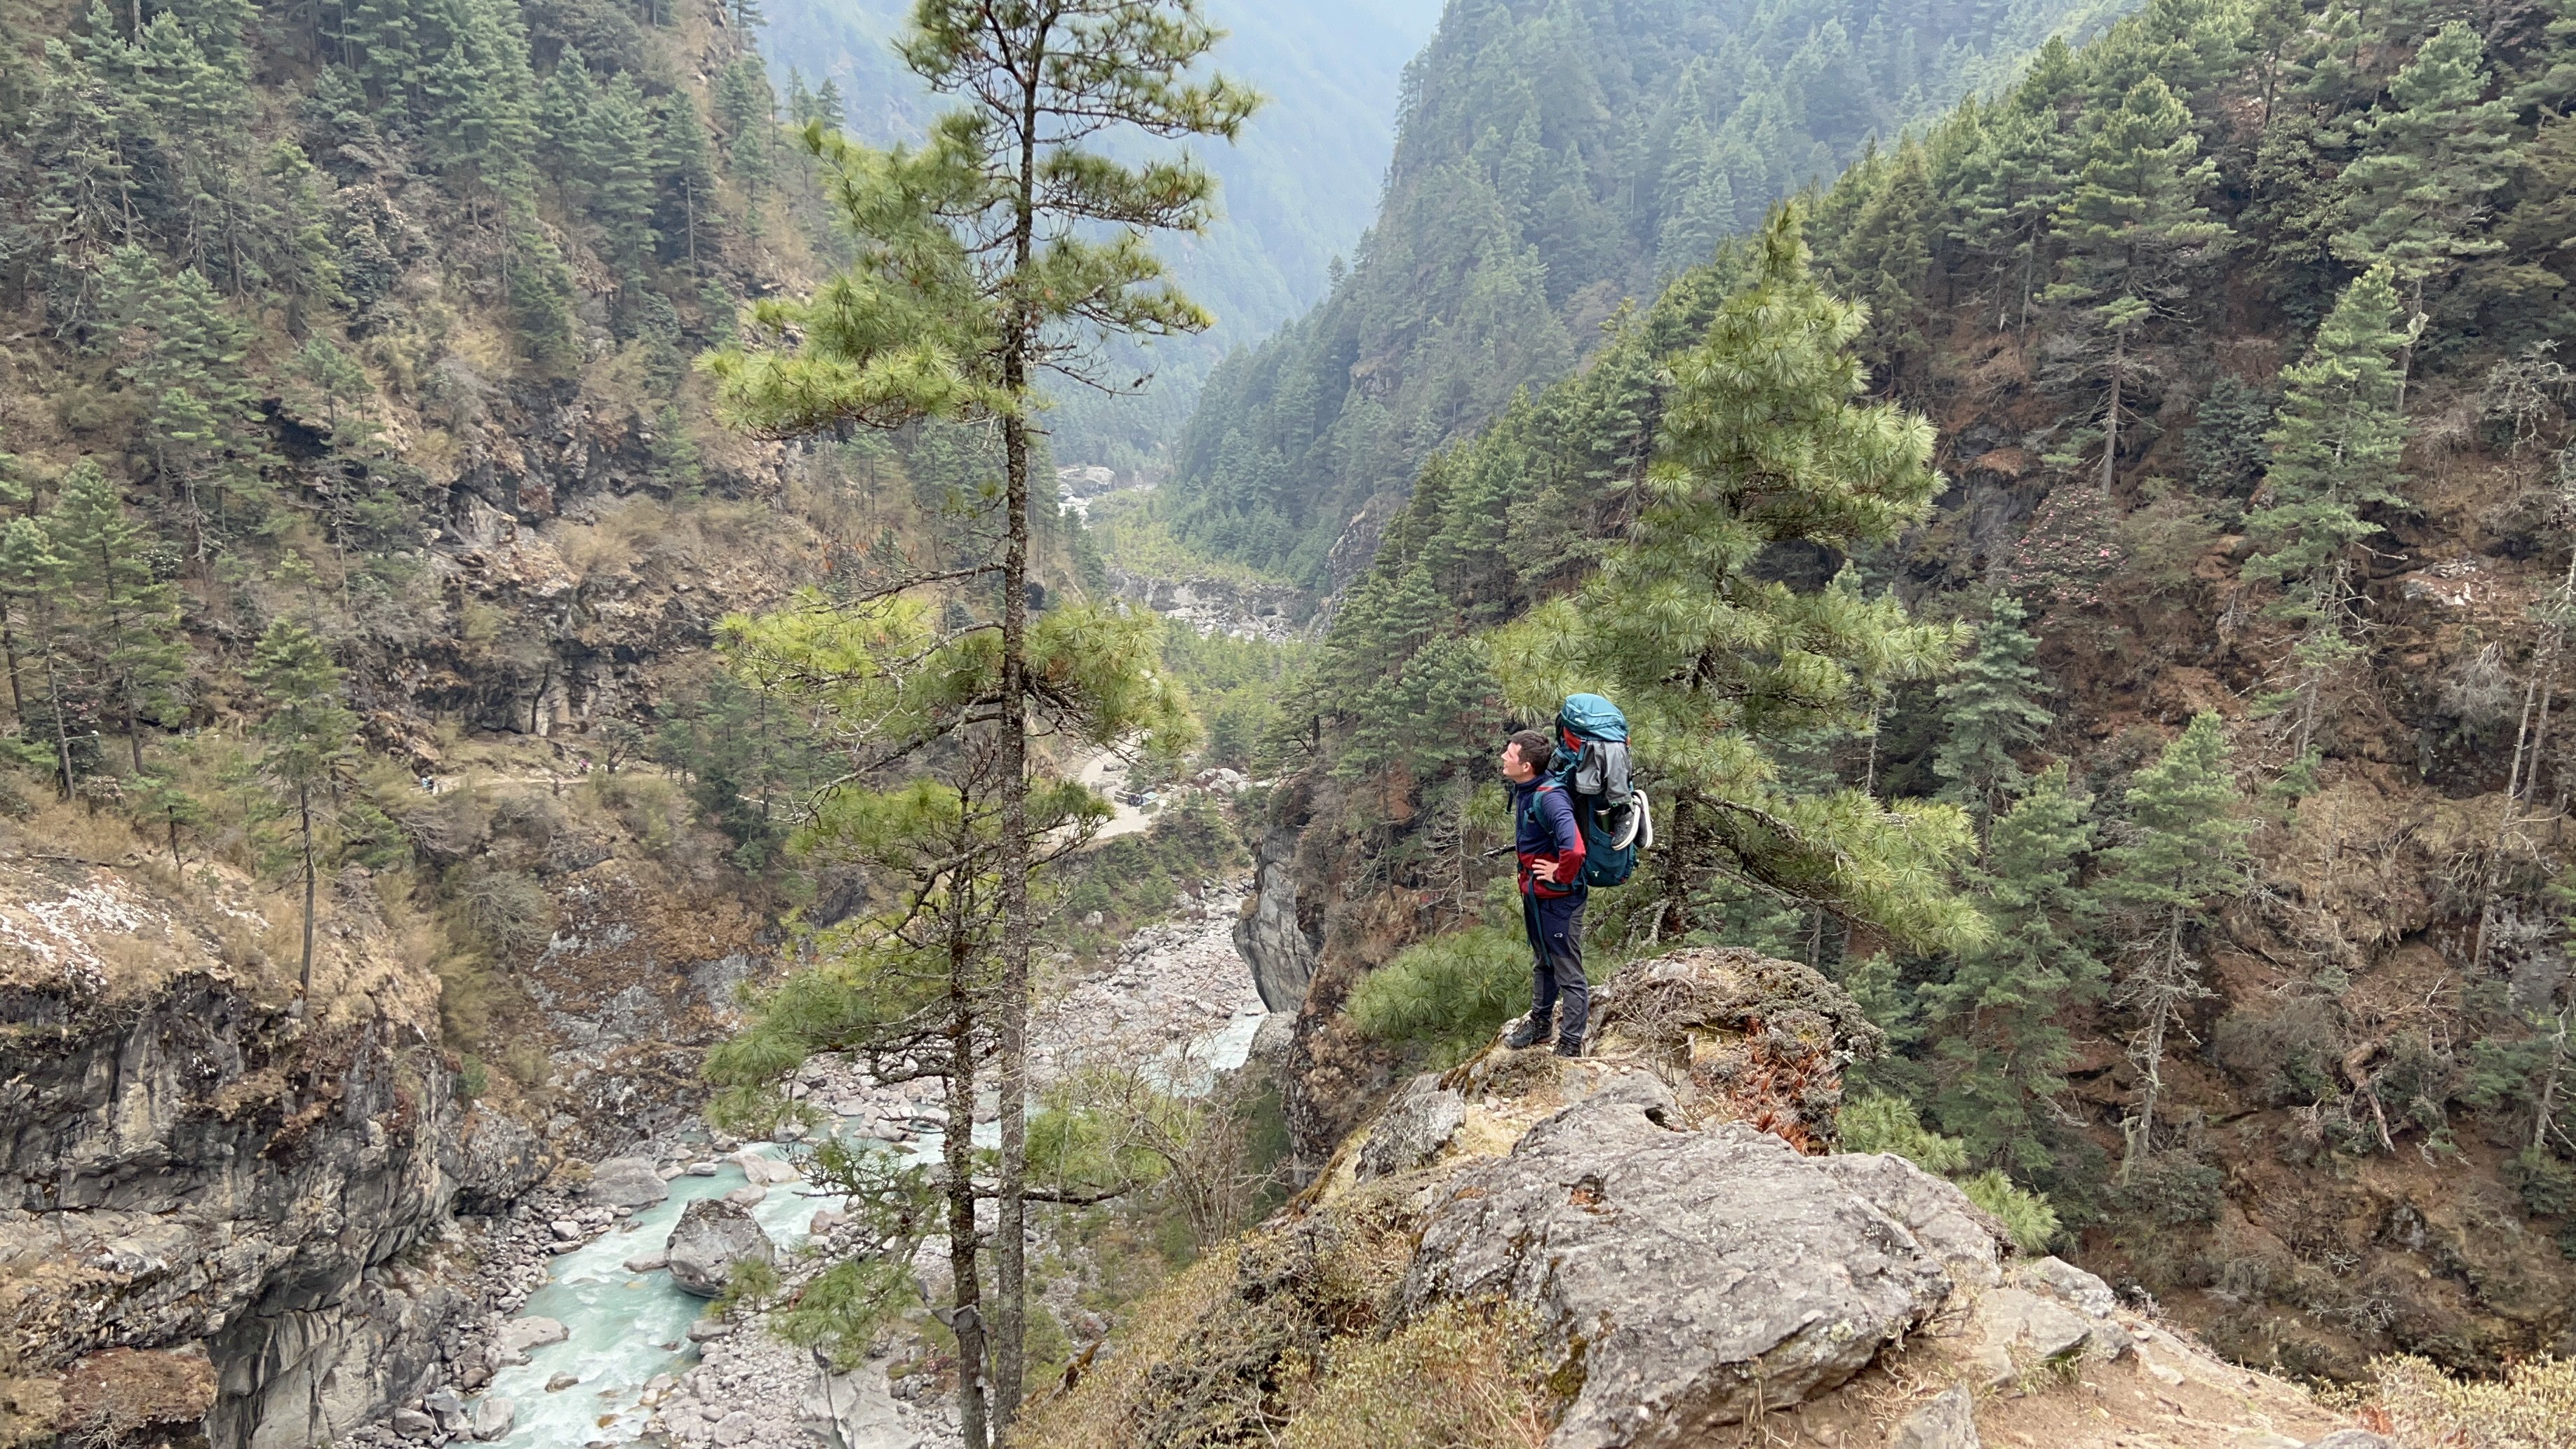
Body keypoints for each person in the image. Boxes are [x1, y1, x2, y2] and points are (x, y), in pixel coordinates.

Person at [1499, 727, 1585, 1056]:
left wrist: (1560, 874)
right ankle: (1540, 1025)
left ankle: (1571, 1044)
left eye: (1511, 754)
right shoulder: (1528, 789)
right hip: (1538, 896)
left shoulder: (1549, 798)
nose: (1504, 758)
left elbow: (1574, 850)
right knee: (1544, 961)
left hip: (1560, 901)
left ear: (1526, 767)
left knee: (1567, 970)